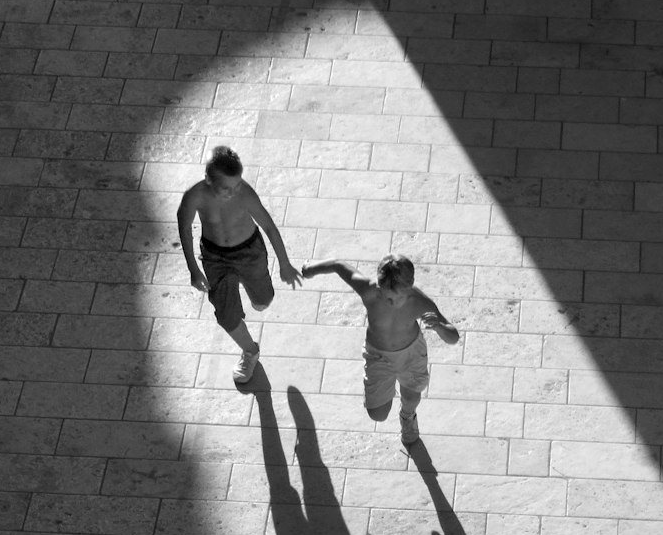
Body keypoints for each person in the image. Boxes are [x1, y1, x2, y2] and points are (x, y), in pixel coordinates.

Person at [300, 253, 459, 444]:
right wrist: (312, 268)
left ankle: (408, 417)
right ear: (378, 284)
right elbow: (338, 265)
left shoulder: (420, 303)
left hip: (411, 355)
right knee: (378, 415)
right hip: (378, 355)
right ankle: (386, 389)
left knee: (411, 397)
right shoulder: (369, 291)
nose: (391, 302)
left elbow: (453, 337)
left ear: (410, 286)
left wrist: (439, 327)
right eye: (387, 296)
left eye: (398, 297)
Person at [177, 146, 302, 383]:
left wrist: (284, 264)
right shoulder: (195, 196)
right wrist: (193, 268)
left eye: (236, 185)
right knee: (225, 314)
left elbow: (269, 227)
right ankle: (250, 351)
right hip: (215, 257)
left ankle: (256, 295)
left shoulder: (244, 194)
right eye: (226, 188)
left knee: (263, 300)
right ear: (208, 180)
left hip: (249, 252)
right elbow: (184, 228)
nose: (233, 193)